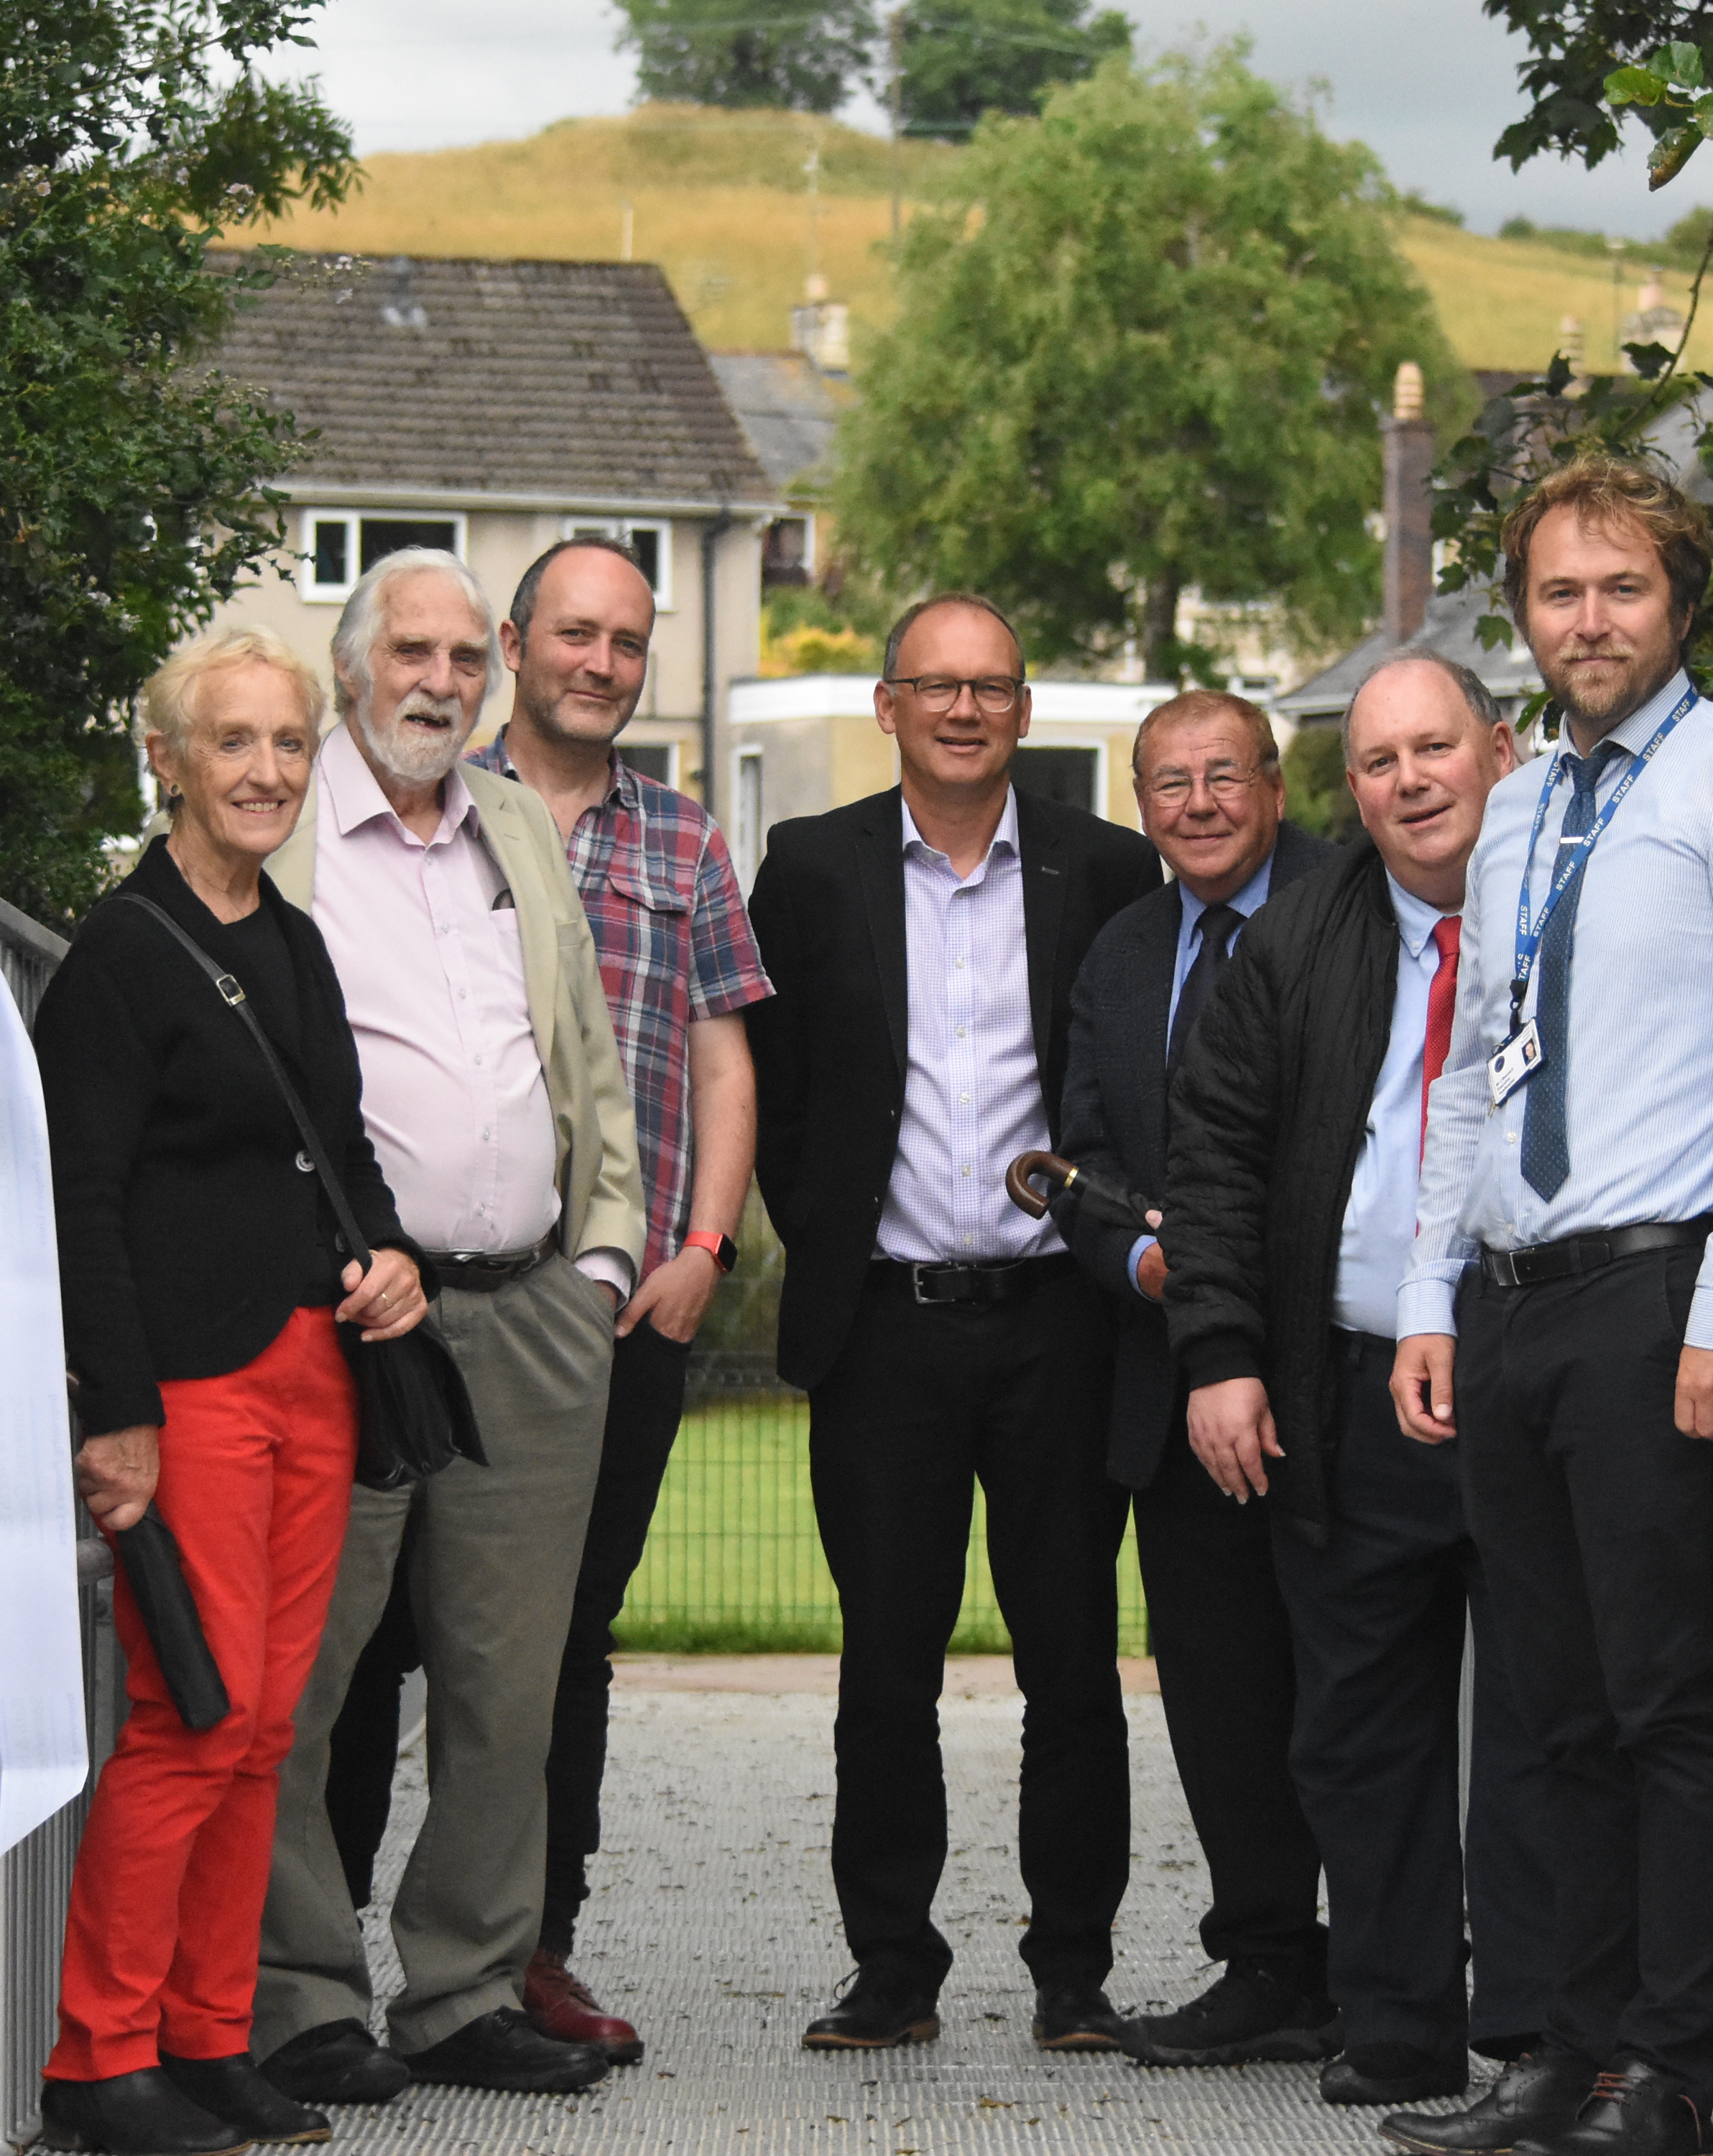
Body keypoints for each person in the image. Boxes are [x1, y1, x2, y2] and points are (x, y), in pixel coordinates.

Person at [1384, 456, 1713, 2156]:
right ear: (1523, 615)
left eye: (1621, 588)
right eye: (1559, 594)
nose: (1588, 621)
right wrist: (1434, 1291)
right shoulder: (1514, 810)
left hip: (1663, 1296)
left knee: (1663, 1700)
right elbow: (1468, 1076)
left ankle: (1668, 2081)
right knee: (1549, 1707)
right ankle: (1558, 2059)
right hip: (1512, 1303)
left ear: (1680, 600)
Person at [249, 547, 647, 2104]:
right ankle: (301, 2001)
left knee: (510, 1690)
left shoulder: (512, 831)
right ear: (354, 667)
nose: (439, 681)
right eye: (410, 651)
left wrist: (602, 1264)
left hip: (533, 1313)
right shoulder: (287, 835)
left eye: (466, 659)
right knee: (305, 1680)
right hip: (345, 1327)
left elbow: (589, 1056)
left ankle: (469, 1994)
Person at [744, 592, 1164, 2054]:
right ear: (888, 705)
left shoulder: (1107, 868)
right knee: (886, 1665)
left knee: (1071, 1662)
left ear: (1025, 708)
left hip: (1059, 1323)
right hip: (888, 1329)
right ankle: (891, 1969)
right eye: (938, 686)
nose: (966, 710)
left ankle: (1073, 1974)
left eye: (992, 687)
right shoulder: (807, 868)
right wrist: (828, 1243)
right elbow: (779, 1090)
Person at [33, 627, 428, 2155]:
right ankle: (99, 2059)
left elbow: (345, 1151)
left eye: (286, 744)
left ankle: (208, 2041)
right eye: (234, 743)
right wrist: (116, 1409)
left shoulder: (294, 942)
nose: (265, 771)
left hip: (317, 1374)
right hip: (185, 1391)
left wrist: (392, 1259)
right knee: (187, 1716)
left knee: (265, 1729)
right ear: (169, 763)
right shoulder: (120, 957)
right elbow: (82, 1202)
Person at [1159, 655, 1548, 2112]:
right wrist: (1222, 1355)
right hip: (1344, 1385)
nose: (1409, 782)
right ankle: (1392, 2027)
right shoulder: (1300, 934)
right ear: (1350, 792)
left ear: (1497, 752)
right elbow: (1211, 1157)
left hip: (1519, 1375)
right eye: (1378, 762)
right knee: (1358, 1729)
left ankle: (1525, 2035)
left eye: (1434, 748)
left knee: (1534, 1719)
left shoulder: (1570, 912)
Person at [465, 536, 773, 2063]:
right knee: (384, 1632)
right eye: (574, 634)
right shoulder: (424, 814)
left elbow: (724, 1055)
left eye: (627, 643)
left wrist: (702, 1252)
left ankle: (531, 1947)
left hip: (620, 1315)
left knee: (568, 1634)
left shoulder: (685, 840)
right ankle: (312, 1969)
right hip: (447, 1302)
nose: (600, 663)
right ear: (515, 642)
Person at [1053, 690, 1338, 2066]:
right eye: (1170, 783)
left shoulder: (1356, 908)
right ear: (1140, 803)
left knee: (1363, 1684)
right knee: (1221, 1693)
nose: (1200, 804)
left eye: (1226, 775)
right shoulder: (1119, 954)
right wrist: (1147, 1273)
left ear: (1275, 786)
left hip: (1340, 1374)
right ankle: (1270, 1962)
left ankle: (1400, 1972)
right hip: (1176, 1387)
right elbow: (1083, 1164)